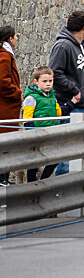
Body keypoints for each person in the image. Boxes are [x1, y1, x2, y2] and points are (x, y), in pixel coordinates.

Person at [49, 11, 84, 173]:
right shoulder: (63, 46)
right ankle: (64, 185)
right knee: (67, 149)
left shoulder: (82, 45)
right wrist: (74, 90)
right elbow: (55, 73)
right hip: (71, 105)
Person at [22, 66, 75, 182]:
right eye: (44, 81)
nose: (48, 84)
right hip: (37, 135)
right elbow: (27, 119)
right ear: (36, 82)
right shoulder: (31, 98)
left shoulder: (52, 97)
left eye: (50, 81)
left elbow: (58, 113)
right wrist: (32, 134)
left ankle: (43, 179)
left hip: (51, 133)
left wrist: (71, 103)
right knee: (34, 163)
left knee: (55, 158)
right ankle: (31, 184)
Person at [0, 26, 22, 185]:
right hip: (6, 109)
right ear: (9, 39)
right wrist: (16, 92)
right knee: (6, 145)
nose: (17, 38)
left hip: (6, 108)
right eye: (15, 36)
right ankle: (2, 179)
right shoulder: (5, 56)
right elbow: (2, 81)